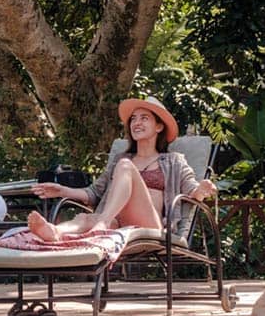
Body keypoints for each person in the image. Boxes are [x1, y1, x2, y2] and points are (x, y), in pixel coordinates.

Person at [26, 97, 217, 241]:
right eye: (133, 119)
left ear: (159, 126)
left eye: (144, 118)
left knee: (124, 168)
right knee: (85, 219)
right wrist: (62, 190)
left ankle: (103, 222)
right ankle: (55, 232)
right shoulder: (122, 158)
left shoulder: (173, 161)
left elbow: (192, 191)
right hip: (117, 221)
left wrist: (202, 190)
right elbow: (95, 193)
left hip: (149, 224)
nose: (136, 123)